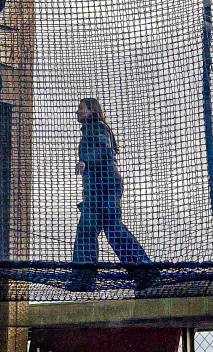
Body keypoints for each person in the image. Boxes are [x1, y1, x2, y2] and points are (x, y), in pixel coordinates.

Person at [67, 98, 158, 292]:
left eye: (81, 109)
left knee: (104, 231)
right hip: (99, 190)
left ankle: (85, 278)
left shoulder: (97, 127)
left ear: (91, 110)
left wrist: (85, 161)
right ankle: (142, 270)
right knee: (96, 231)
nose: (77, 113)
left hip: (104, 189)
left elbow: (102, 149)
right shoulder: (94, 129)